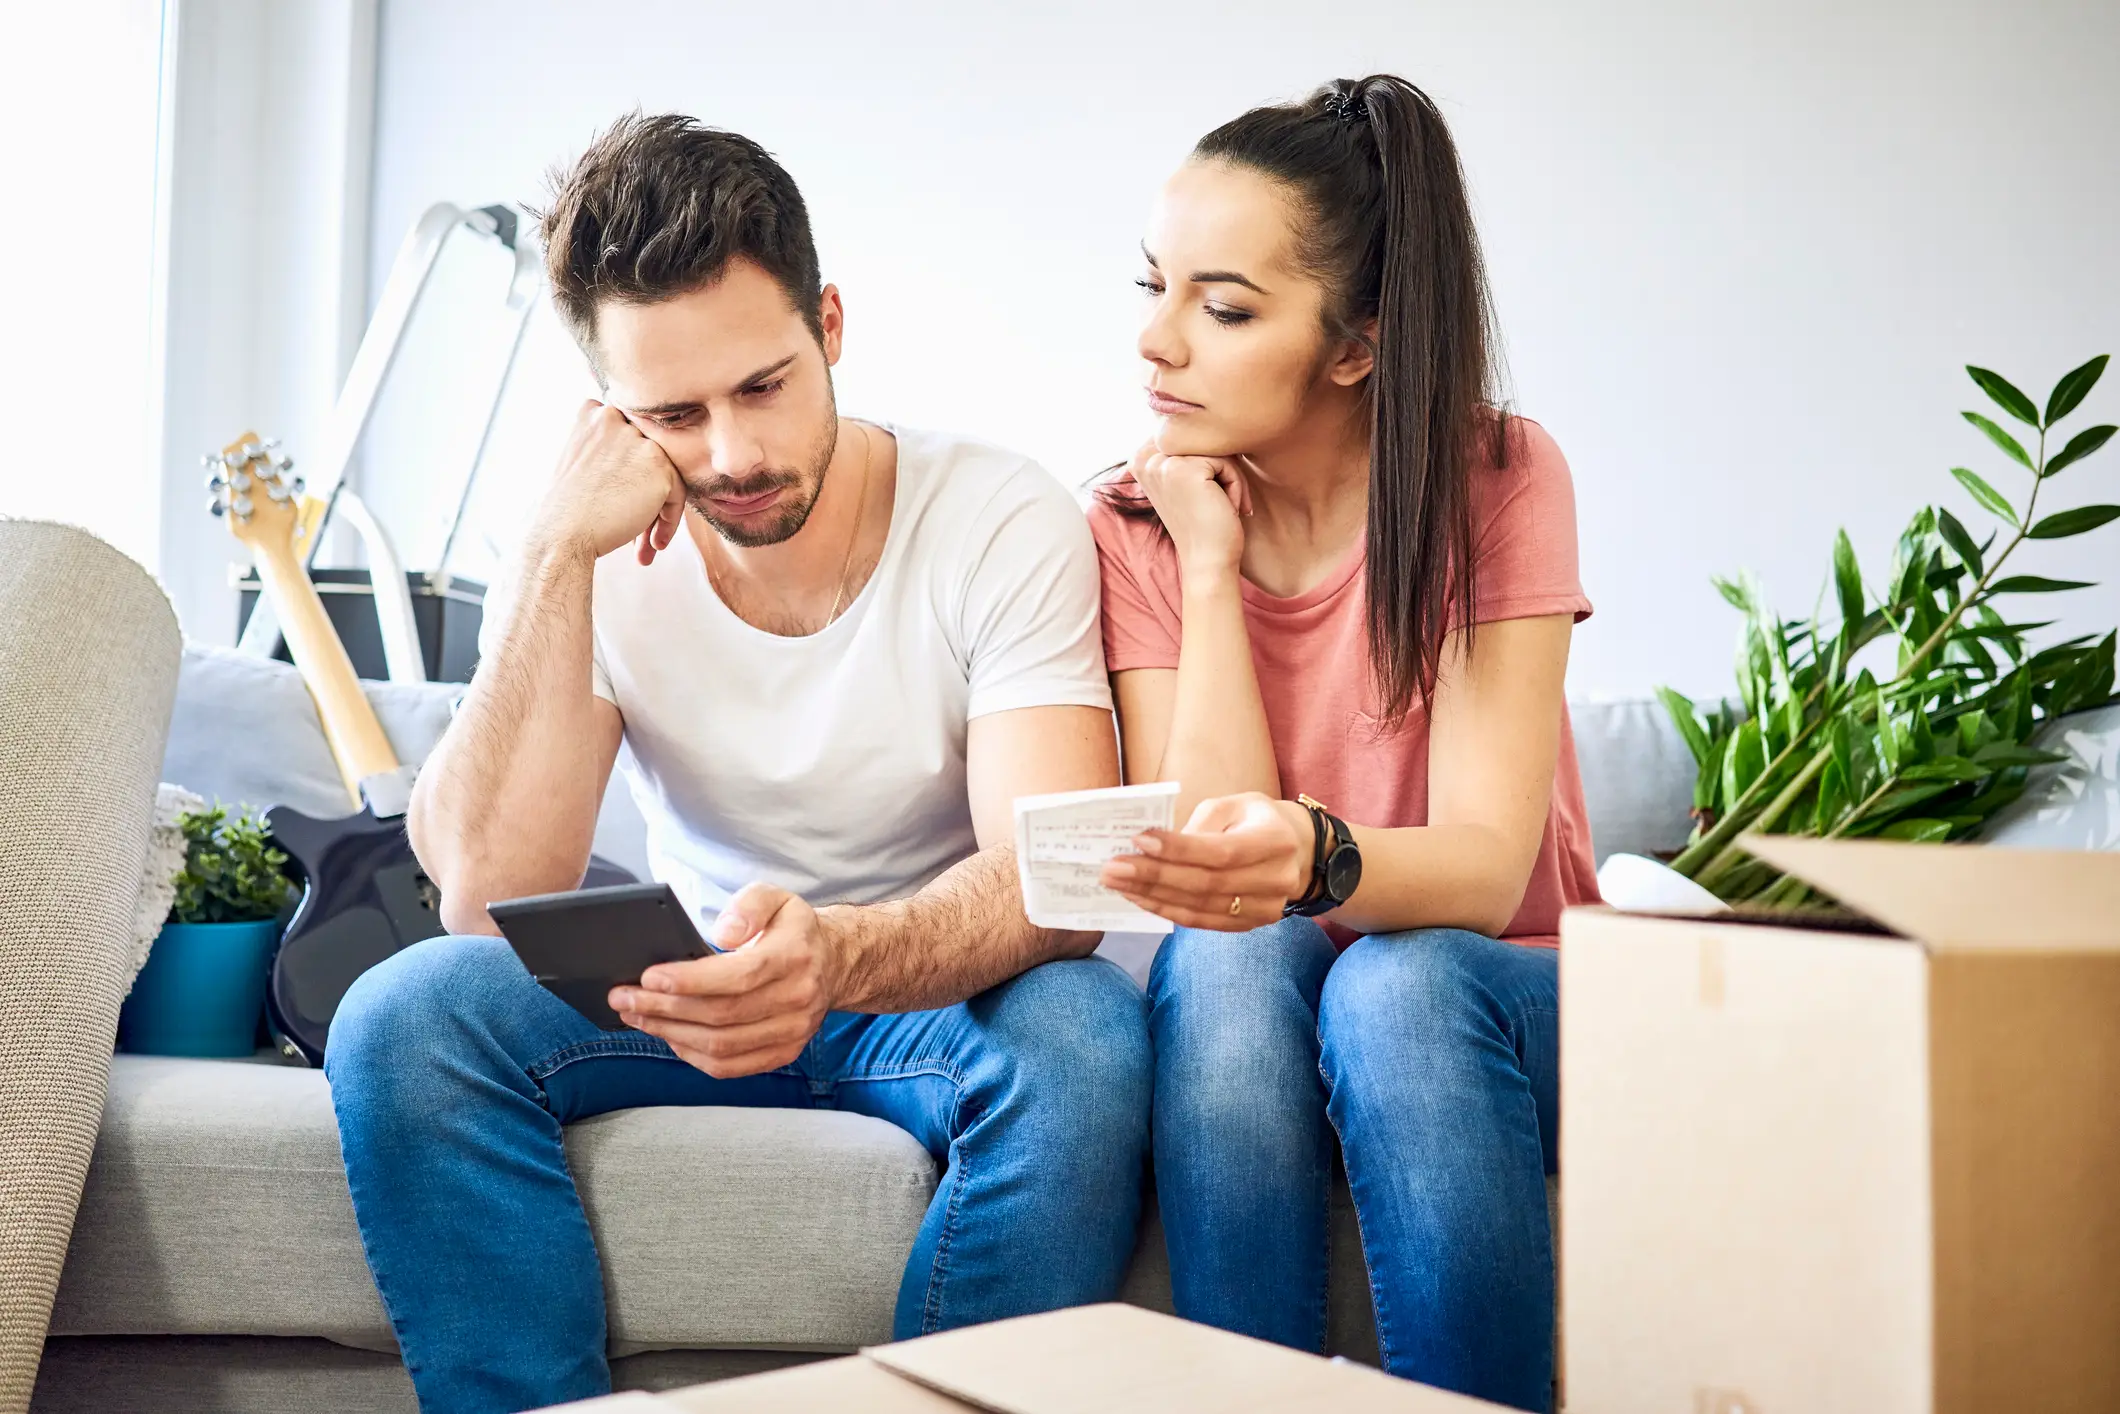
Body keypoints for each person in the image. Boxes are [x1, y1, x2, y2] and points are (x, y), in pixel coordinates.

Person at [324, 114, 1151, 1414]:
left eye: (762, 385)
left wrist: (838, 955)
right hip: (685, 984)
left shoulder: (998, 515)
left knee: (1089, 1032)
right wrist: (551, 555)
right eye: (672, 415)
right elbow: (484, 895)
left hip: (921, 990)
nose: (731, 455)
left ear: (828, 322)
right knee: (402, 1013)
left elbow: (1057, 884)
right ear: (611, 414)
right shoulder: (585, 549)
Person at [1086, 75, 1596, 1411]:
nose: (1158, 343)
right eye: (1153, 285)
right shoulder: (1139, 523)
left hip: (1510, 990)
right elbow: (1211, 869)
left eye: (1224, 306)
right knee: (1225, 960)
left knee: (1399, 986)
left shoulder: (1497, 477)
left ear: (1357, 342)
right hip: (1270, 984)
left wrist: (1307, 850)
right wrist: (1209, 569)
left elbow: (1487, 872)